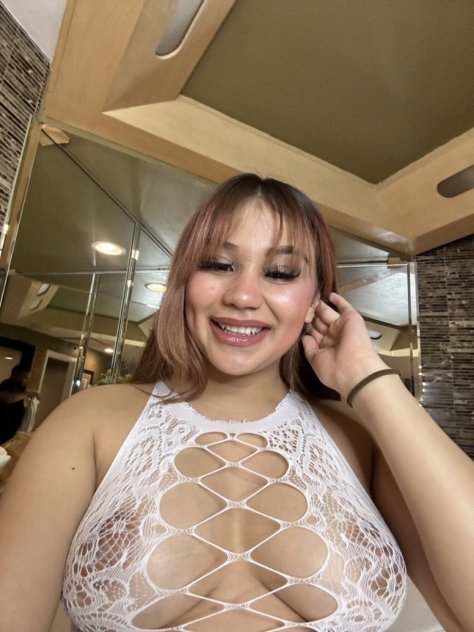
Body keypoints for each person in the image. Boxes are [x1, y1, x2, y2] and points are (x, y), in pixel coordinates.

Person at [0, 174, 472, 632]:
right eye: (219, 265)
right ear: (185, 281)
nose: (243, 295)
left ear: (315, 301)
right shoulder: (89, 422)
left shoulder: (359, 436)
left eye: (280, 273)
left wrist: (368, 379)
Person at [0, 365, 30, 444]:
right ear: (15, 375)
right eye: (24, 377)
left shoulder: (24, 389)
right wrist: (26, 394)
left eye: (27, 378)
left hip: (11, 433)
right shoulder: (5, 384)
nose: (26, 380)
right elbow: (7, 399)